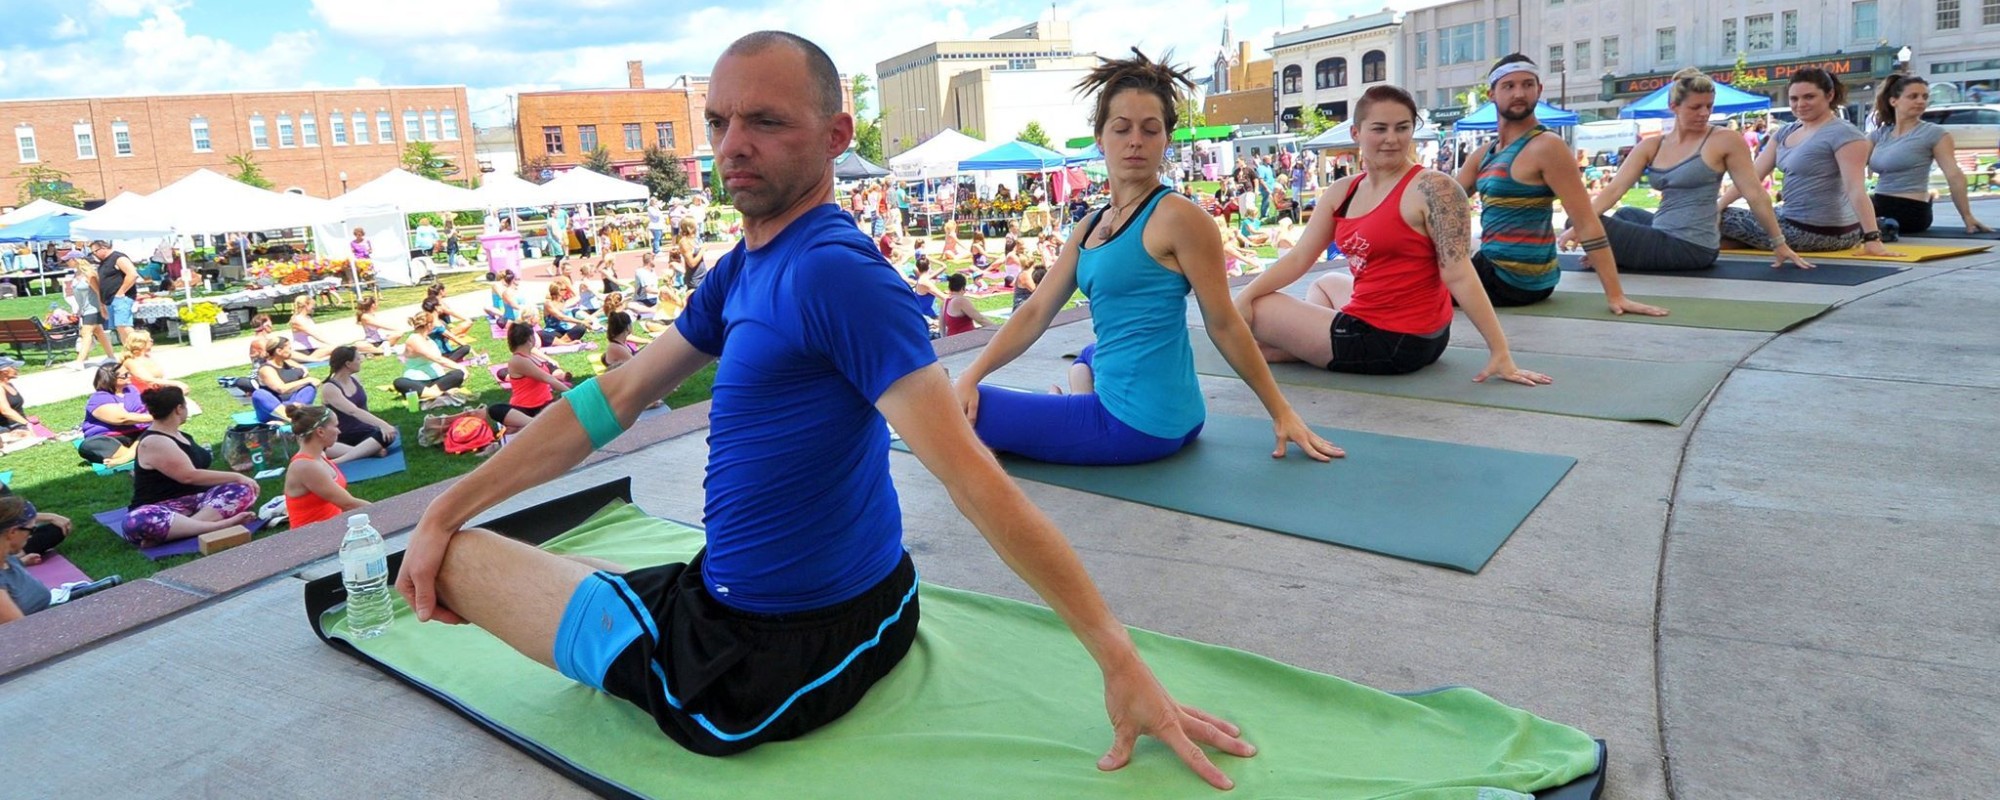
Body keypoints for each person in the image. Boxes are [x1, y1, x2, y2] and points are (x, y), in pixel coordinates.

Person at [396, 33, 1255, 787]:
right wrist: (445, 503)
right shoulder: (747, 265)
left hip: (759, 661)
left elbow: (972, 478)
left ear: (838, 136)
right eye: (721, 122)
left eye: (766, 122)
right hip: (844, 599)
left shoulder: (836, 274)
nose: (734, 145)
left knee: (466, 564)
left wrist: (1118, 658)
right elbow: (615, 395)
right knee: (504, 546)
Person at [954, 49, 1339, 468]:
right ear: (1100, 137)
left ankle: (1070, 411)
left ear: (1166, 140)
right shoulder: (1089, 225)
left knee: (954, 408)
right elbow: (1034, 313)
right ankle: (1074, 401)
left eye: (1149, 129)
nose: (1135, 140)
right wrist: (972, 373)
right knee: (1088, 354)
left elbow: (1224, 323)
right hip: (1177, 416)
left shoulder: (1179, 217)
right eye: (1122, 129)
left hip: (1132, 428)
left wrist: (1281, 411)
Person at [1236, 85, 1551, 384]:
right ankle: (1312, 346)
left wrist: (1500, 350)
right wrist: (1244, 295)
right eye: (1379, 129)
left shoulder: (1433, 188)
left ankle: (1310, 347)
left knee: (1261, 310)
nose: (1392, 139)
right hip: (1402, 328)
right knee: (1325, 283)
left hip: (1394, 341)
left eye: (1402, 128)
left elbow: (1460, 275)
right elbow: (1300, 257)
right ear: (1356, 133)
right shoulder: (1343, 191)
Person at [1454, 55, 1666, 317]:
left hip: (1515, 280)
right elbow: (1441, 201)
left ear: (1539, 90)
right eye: (1509, 86)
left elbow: (1586, 221)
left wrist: (1616, 294)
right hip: (1494, 268)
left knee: (1405, 290)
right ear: (1492, 94)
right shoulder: (1484, 154)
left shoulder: (1547, 146)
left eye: (1527, 85)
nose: (1519, 93)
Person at [1561, 68, 1809, 271]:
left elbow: (1755, 194)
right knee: (1619, 214)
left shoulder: (1723, 139)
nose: (1704, 113)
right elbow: (1614, 190)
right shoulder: (1653, 145)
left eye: (1709, 106)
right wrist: (1580, 227)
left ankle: (1608, 256)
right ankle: (1610, 254)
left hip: (1691, 248)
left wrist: (1779, 243)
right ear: (1674, 107)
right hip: (1661, 233)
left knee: (1585, 222)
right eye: (1695, 107)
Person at [1718, 68, 1899, 255]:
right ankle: (1731, 242)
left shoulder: (1844, 134)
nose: (1800, 104)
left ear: (1830, 95)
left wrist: (1872, 238)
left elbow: (1856, 189)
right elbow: (1750, 179)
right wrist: (1718, 206)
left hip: (1824, 233)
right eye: (1794, 99)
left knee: (1705, 215)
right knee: (1712, 212)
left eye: (1809, 97)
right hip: (1790, 219)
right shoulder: (1785, 132)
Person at [124, 386, 259, 547]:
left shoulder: (181, 435)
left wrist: (238, 477)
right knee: (137, 521)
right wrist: (236, 476)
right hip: (159, 508)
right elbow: (188, 476)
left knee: (244, 489)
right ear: (179, 409)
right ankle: (218, 526)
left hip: (196, 503)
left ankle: (183, 530)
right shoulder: (154, 441)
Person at [1868, 75, 1991, 236]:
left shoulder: (1934, 133)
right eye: (1913, 96)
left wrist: (1967, 216)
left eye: (1925, 97)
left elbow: (1954, 176)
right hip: (1878, 203)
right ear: (1893, 101)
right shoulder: (1879, 135)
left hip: (1910, 209)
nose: (1921, 101)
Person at [282, 405, 370, 529]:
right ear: (320, 431)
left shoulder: (319, 455)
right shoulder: (305, 466)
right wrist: (386, 511)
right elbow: (349, 504)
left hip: (330, 530)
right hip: (311, 540)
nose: (339, 431)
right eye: (335, 426)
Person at [320, 345, 399, 462]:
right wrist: (383, 424)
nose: (361, 360)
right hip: (342, 436)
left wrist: (384, 427)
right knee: (324, 446)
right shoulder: (330, 388)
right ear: (348, 364)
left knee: (388, 435)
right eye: (357, 359)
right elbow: (353, 411)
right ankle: (347, 458)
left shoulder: (355, 379)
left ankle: (366, 451)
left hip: (366, 433)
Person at [487, 321, 568, 433]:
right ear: (530, 338)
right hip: (525, 409)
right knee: (494, 409)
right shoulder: (518, 360)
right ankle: (535, 423)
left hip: (545, 404)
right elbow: (547, 378)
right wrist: (573, 393)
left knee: (565, 406)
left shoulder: (531, 355)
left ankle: (531, 424)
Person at [395, 311, 471, 409]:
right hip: (418, 381)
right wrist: (460, 366)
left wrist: (459, 369)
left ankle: (430, 394)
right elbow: (436, 358)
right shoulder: (414, 339)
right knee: (399, 382)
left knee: (458, 374)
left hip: (436, 379)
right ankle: (440, 394)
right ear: (429, 324)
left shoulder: (428, 338)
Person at [79, 362, 150, 464]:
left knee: (156, 431)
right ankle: (139, 454)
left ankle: (127, 457)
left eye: (129, 373)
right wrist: (157, 417)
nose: (129, 376)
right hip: (110, 437)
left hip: (138, 433)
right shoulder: (99, 398)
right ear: (111, 379)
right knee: (90, 445)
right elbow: (122, 419)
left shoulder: (132, 390)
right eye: (125, 375)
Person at [1, 496, 56, 625]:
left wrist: (22, 561)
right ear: (12, 532)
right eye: (31, 530)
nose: (31, 535)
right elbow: (21, 633)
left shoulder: (7, 558)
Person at [87, 240, 142, 349]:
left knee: (124, 326)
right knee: (120, 328)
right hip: (110, 299)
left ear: (103, 248)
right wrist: (102, 303)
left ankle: (139, 348)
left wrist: (121, 292)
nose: (95, 255)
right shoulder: (103, 263)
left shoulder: (118, 258)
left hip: (122, 298)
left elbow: (132, 274)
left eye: (95, 251)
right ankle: (129, 351)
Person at [254, 337, 319, 424]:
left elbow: (295, 364)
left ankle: (296, 415)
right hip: (273, 408)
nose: (291, 351)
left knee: (309, 388)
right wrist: (307, 380)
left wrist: (303, 368)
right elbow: (281, 389)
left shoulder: (288, 362)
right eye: (289, 348)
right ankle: (292, 419)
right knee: (259, 394)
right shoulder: (266, 369)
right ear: (279, 351)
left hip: (292, 405)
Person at [291, 295, 380, 359]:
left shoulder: (307, 318)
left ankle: (364, 354)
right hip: (304, 351)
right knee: (336, 349)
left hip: (313, 349)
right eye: (312, 306)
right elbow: (314, 334)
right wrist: (332, 344)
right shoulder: (297, 320)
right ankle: (372, 353)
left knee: (339, 353)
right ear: (306, 305)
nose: (314, 307)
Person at [68, 255, 116, 370]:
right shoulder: (76, 275)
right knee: (99, 332)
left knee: (86, 333)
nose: (66, 262)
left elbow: (98, 291)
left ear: (76, 260)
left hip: (94, 308)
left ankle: (80, 361)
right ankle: (111, 357)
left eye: (68, 260)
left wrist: (102, 307)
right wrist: (79, 309)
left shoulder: (90, 275)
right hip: (85, 309)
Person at [677, 218, 709, 289]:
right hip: (695, 280)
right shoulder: (684, 242)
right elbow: (691, 263)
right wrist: (702, 250)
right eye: (695, 226)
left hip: (703, 276)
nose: (697, 228)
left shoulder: (694, 239)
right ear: (690, 228)